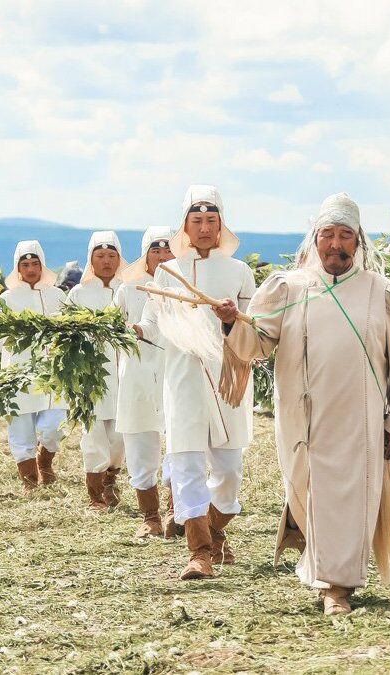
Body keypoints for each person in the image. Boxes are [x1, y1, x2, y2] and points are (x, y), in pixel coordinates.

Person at [220, 192, 390, 615]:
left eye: (345, 235)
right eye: (327, 234)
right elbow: (256, 345)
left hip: (359, 424)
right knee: (308, 496)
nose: (335, 244)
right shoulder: (287, 287)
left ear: (358, 242)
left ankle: (336, 588)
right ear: (314, 240)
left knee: (347, 501)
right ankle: (319, 563)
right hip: (300, 424)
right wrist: (230, 321)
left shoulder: (382, 293)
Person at [137, 184, 256, 581]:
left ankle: (217, 530)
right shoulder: (167, 274)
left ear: (221, 225)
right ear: (184, 226)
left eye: (211, 220)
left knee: (228, 472)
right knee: (186, 464)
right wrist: (136, 330)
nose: (204, 228)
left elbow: (254, 333)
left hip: (227, 382)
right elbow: (155, 327)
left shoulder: (239, 272)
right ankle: (199, 551)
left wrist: (228, 319)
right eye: (196, 220)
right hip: (183, 380)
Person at [0, 240, 69, 490]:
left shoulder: (57, 295)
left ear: (42, 265)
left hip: (51, 374)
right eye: (25, 264)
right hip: (17, 374)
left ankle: (45, 460)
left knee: (54, 426)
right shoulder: (7, 298)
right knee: (21, 432)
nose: (30, 269)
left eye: (35, 263)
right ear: (18, 267)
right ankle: (29, 482)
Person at [117, 226, 175, 538]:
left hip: (174, 371)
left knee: (180, 442)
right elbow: (116, 331)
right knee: (140, 443)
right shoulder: (127, 290)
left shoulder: (187, 287)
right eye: (156, 250)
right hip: (137, 375)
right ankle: (150, 516)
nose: (163, 257)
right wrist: (129, 330)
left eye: (169, 250)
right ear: (146, 255)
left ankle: (177, 510)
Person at [68, 231, 128, 509]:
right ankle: (95, 495)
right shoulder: (79, 294)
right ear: (91, 259)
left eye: (111, 256)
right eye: (100, 256)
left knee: (119, 436)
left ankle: (110, 481)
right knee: (93, 434)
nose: (106, 261)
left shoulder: (128, 290)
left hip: (124, 375)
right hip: (90, 377)